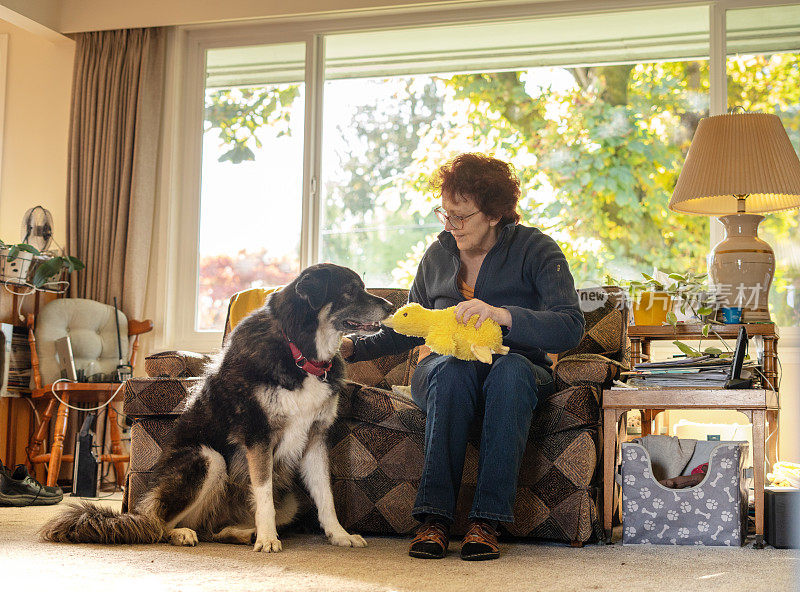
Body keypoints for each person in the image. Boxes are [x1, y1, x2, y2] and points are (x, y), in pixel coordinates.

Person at [340, 153, 585, 561]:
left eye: (460, 217)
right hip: (443, 367)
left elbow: (569, 325)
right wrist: (351, 347)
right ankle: (433, 519)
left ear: (493, 213)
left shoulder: (536, 249)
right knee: (453, 371)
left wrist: (503, 316)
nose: (450, 226)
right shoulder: (437, 255)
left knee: (509, 373)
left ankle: (486, 522)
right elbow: (411, 323)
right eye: (445, 214)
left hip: (518, 369)